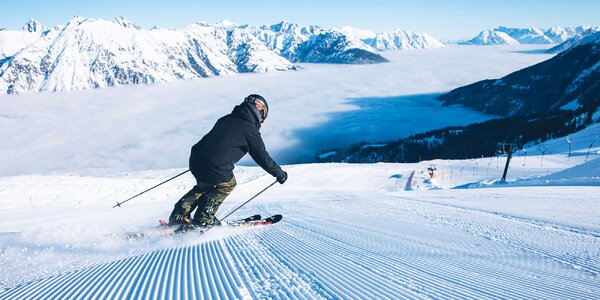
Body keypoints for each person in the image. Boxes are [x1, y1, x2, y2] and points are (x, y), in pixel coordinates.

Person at [168, 94, 287, 230]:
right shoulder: (249, 129)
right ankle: (204, 219)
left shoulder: (225, 119)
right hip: (215, 165)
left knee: (203, 186)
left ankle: (178, 215)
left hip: (197, 158)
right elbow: (261, 156)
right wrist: (280, 174)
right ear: (259, 111)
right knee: (227, 185)